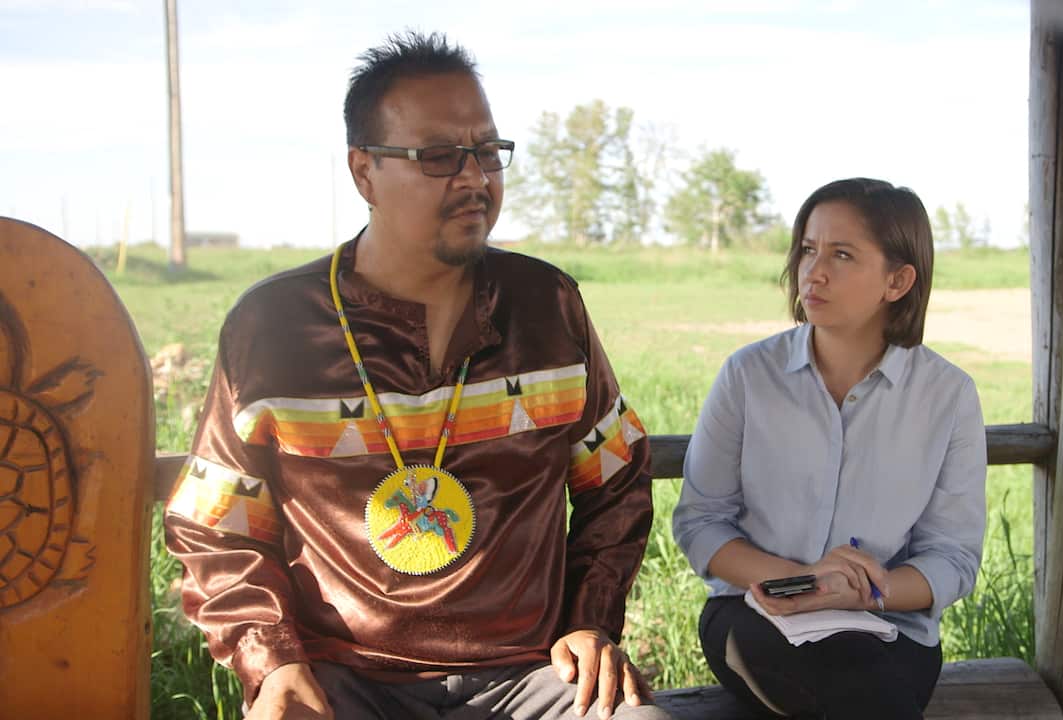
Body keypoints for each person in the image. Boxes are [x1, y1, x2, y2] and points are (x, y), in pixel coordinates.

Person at [164, 32, 670, 720]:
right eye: (439, 156)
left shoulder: (546, 307)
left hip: (531, 674)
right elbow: (217, 525)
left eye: (488, 153)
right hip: (343, 679)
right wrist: (272, 658)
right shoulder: (275, 326)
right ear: (363, 171)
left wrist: (590, 621)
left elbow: (616, 480)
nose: (474, 177)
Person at [671, 178, 987, 719]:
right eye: (809, 250)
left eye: (841, 255)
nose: (813, 272)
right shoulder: (749, 375)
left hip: (891, 628)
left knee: (867, 687)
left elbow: (952, 557)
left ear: (898, 280)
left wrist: (864, 591)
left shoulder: (948, 395)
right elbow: (700, 523)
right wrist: (805, 581)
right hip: (755, 613)